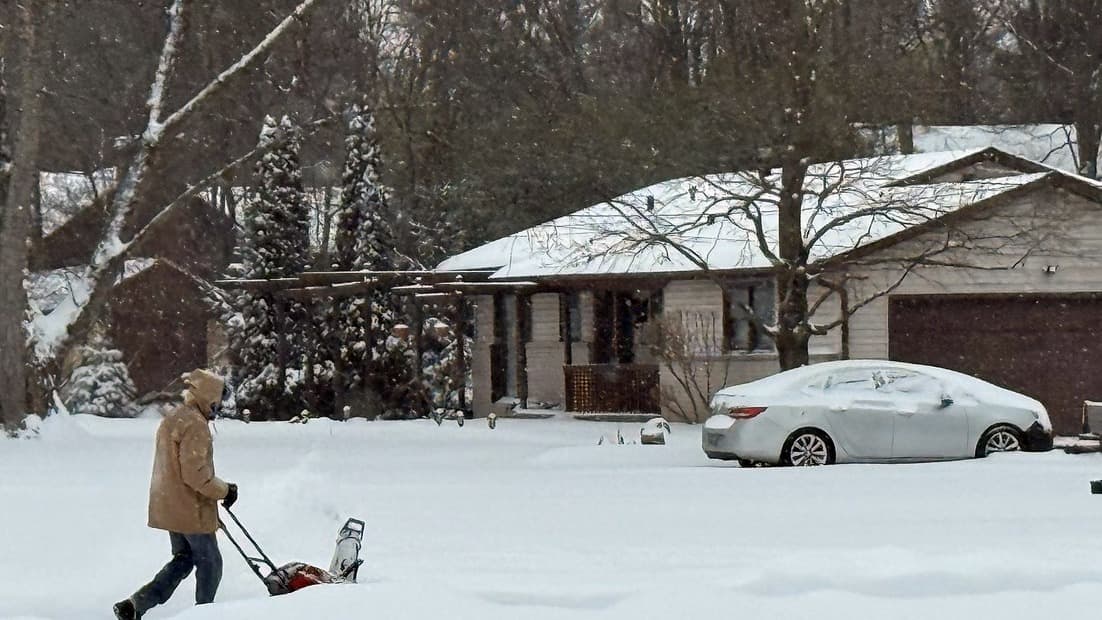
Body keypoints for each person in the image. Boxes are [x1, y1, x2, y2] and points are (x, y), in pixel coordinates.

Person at [114, 369, 238, 620]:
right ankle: (205, 613)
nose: (218, 408)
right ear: (209, 398)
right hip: (189, 509)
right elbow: (195, 475)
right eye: (218, 402)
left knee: (184, 559)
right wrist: (225, 490)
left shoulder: (175, 417)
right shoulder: (196, 425)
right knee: (211, 563)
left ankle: (135, 605)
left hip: (169, 504)